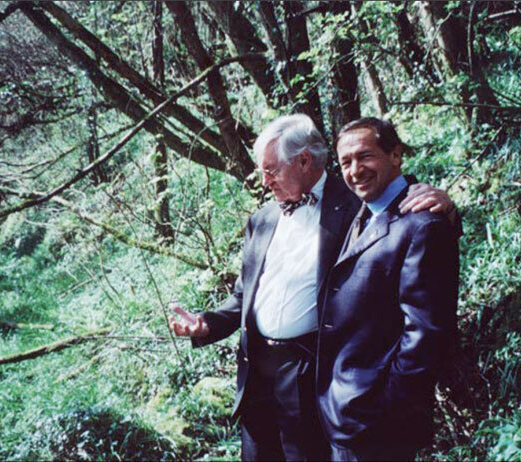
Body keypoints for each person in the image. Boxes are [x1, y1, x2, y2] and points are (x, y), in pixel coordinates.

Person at [170, 114, 455, 461]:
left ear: (304, 160)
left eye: (271, 170)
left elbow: (407, 226)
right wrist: (207, 323)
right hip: (257, 376)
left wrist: (448, 208)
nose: (265, 182)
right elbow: (245, 297)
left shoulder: (356, 204)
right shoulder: (261, 220)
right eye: (346, 161)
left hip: (313, 375)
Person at [317, 117, 459, 461]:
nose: (354, 170)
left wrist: (386, 412)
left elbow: (425, 335)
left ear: (395, 155)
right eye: (345, 162)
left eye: (364, 156)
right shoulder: (362, 212)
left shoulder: (423, 224)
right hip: (343, 413)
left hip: (378, 425)